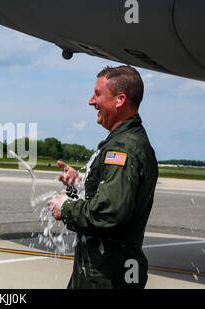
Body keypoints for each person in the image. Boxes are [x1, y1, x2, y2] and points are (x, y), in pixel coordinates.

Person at [48, 65, 158, 289]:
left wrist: (66, 208)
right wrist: (78, 187)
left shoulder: (123, 149)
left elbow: (109, 213)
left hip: (106, 277)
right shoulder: (128, 141)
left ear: (119, 100)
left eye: (98, 94)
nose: (91, 101)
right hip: (111, 271)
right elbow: (115, 199)